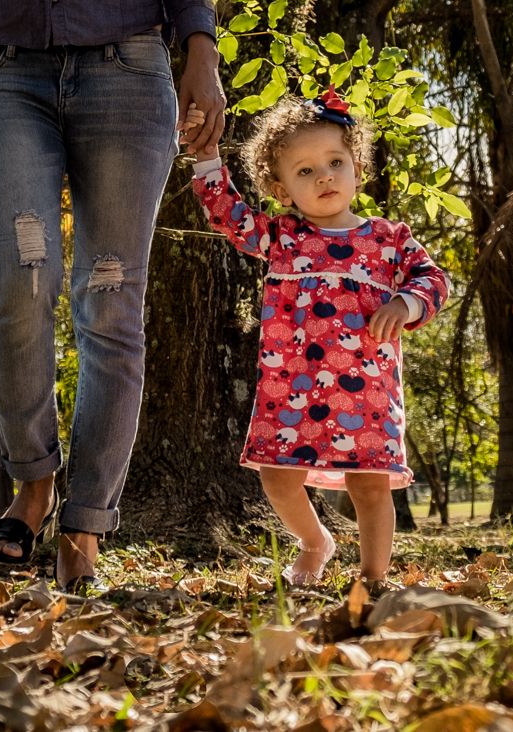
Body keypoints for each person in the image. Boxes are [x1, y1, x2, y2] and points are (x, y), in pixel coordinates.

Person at [0, 1, 225, 593]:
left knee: (111, 295)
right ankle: (35, 482)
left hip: (130, 71)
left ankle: (85, 524)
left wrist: (202, 47)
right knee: (20, 277)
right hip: (6, 73)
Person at [184, 88, 449, 586]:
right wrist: (205, 157)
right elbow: (230, 216)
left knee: (369, 486)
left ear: (358, 168)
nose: (325, 176)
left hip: (366, 391)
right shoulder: (282, 238)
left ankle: (373, 578)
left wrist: (405, 302)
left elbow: (434, 280)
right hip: (290, 387)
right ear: (282, 190)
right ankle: (314, 541)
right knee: (276, 477)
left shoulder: (389, 239)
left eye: (334, 162)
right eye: (304, 171)